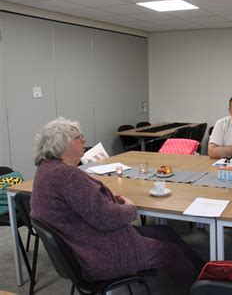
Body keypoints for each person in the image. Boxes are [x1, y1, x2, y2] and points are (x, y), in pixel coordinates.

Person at [30, 118, 204, 285]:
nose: (84, 140)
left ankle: (206, 273)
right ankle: (202, 288)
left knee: (167, 232)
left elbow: (85, 204)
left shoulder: (47, 170)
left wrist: (105, 198)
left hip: (88, 241)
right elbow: (106, 218)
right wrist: (130, 208)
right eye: (78, 137)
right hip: (101, 253)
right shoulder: (67, 176)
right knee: (171, 253)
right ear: (64, 144)